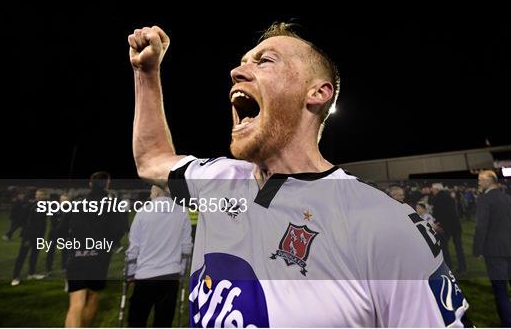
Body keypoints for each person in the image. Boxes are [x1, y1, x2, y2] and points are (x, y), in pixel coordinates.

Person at [128, 22, 470, 326]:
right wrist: (147, 74)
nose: (237, 71)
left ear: (317, 93)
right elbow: (151, 159)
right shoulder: (219, 177)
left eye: (264, 60)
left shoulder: (383, 226)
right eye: (243, 61)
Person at [126, 186, 193, 327]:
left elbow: (134, 247)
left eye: (151, 190)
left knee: (137, 321)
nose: (150, 193)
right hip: (170, 276)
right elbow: (186, 247)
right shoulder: (182, 212)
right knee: (164, 322)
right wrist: (181, 272)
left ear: (156, 192)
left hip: (144, 275)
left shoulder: (143, 212)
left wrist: (130, 273)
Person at [474, 170, 511, 327]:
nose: (478, 182)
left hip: (495, 251)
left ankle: (508, 324)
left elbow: (481, 227)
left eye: (480, 179)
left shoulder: (484, 200)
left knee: (501, 290)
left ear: (489, 181)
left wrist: (478, 249)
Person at [64, 172, 119, 327]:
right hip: (99, 258)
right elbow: (119, 230)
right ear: (108, 184)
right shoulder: (112, 204)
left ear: (90, 183)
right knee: (93, 297)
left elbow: (61, 229)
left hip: (76, 256)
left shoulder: (77, 202)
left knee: (76, 303)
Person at [11, 189, 48, 286]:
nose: (38, 196)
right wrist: (26, 233)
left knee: (34, 255)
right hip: (28, 235)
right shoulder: (30, 206)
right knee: (22, 256)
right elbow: (22, 219)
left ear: (45, 196)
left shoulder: (46, 206)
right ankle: (15, 276)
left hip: (39, 235)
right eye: (37, 194)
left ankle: (31, 273)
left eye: (40, 195)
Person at [429, 183, 467, 274]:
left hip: (446, 227)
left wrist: (438, 223)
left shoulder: (438, 198)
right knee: (459, 248)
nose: (432, 191)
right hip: (455, 225)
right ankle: (463, 267)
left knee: (444, 248)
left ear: (436, 189)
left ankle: (448, 267)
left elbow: (438, 213)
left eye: (433, 189)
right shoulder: (448, 196)